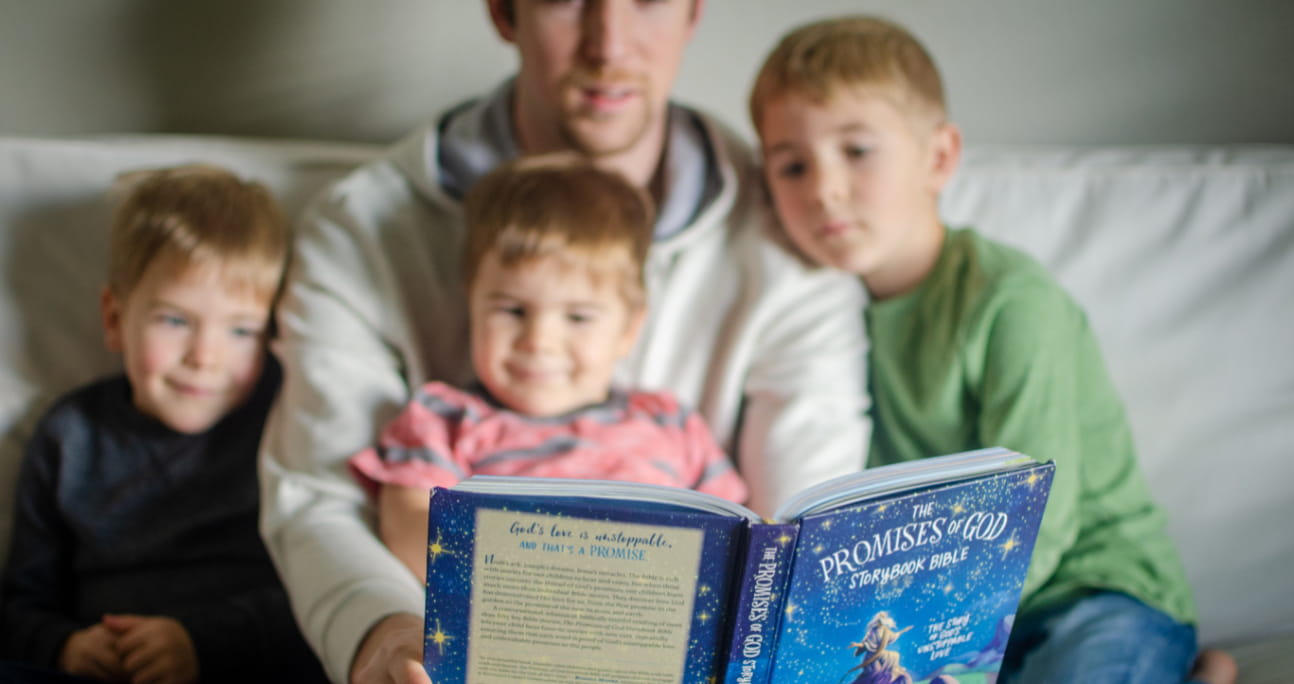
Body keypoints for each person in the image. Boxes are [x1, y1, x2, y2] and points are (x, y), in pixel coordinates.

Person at [258, 1, 872, 682]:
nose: (609, 44)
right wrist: (391, 632)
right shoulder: (361, 231)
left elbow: (791, 528)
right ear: (504, 12)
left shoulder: (795, 233)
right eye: (565, 0)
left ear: (694, 10)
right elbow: (324, 498)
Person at [747, 14, 1237, 684]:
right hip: (956, 610)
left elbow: (1041, 520)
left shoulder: (1011, 301)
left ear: (939, 158)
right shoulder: (814, 318)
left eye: (856, 151)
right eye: (792, 166)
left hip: (1089, 590)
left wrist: (935, 639)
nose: (823, 189)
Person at [348, 154, 747, 582]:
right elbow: (406, 524)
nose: (538, 341)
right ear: (472, 305)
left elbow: (738, 530)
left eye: (577, 317)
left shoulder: (670, 421)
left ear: (629, 329)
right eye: (512, 310)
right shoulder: (444, 420)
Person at [0, 165, 327, 684]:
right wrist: (65, 646)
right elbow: (21, 602)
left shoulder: (284, 425)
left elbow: (320, 594)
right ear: (115, 319)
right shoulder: (69, 434)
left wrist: (200, 644)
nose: (205, 357)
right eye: (174, 320)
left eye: (242, 331)